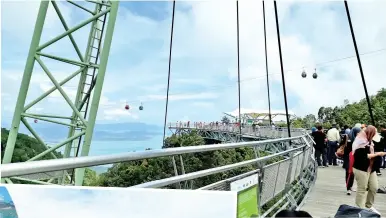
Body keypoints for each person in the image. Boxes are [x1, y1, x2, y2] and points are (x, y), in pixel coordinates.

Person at [352, 125, 384, 214]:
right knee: (362, 188)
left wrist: (378, 153)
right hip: (361, 168)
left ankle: (368, 206)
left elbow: (374, 150)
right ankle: (359, 209)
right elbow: (364, 156)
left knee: (374, 187)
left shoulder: (370, 141)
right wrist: (378, 154)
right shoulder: (360, 142)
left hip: (371, 168)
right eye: (374, 133)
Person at [344, 126, 361, 195]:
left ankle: (350, 186)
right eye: (358, 132)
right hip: (349, 157)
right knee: (349, 172)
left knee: (352, 173)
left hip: (353, 157)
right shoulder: (349, 139)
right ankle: (348, 188)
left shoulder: (357, 139)